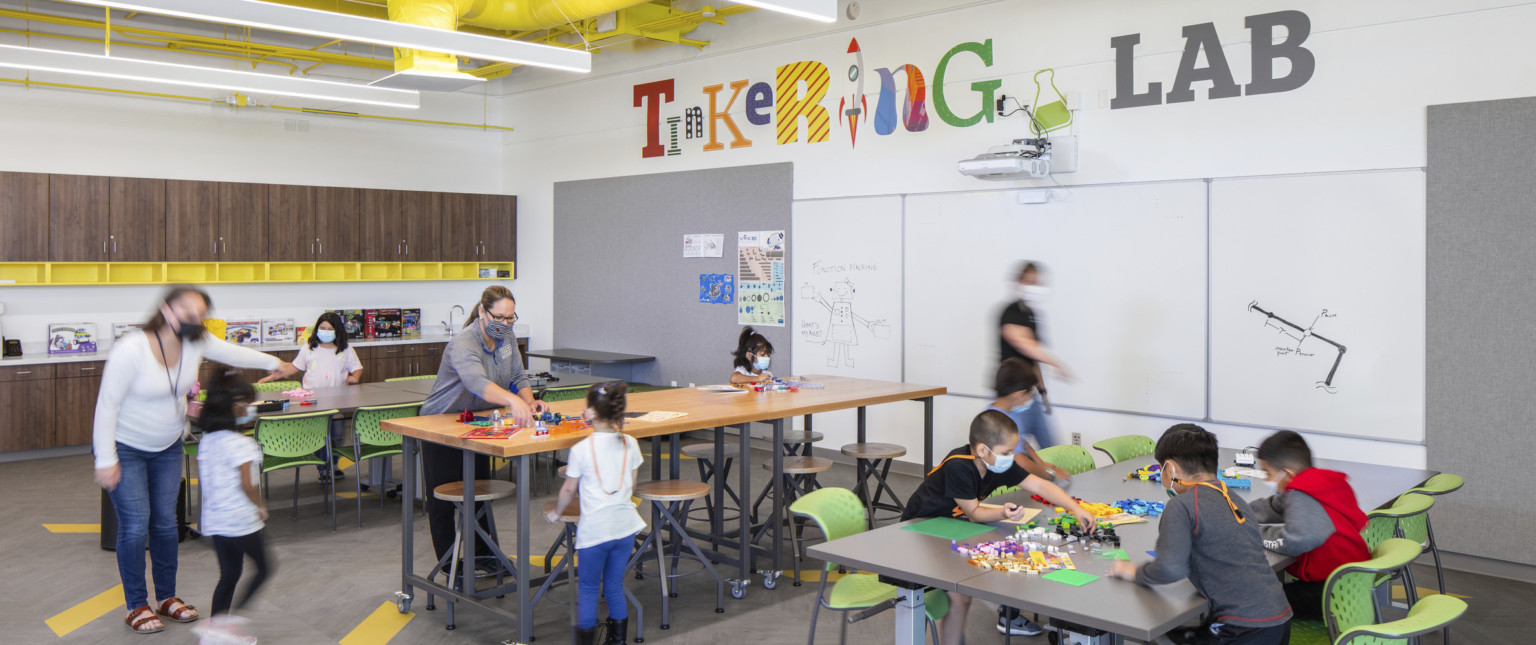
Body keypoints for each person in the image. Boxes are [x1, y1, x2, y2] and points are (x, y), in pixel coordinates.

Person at [93, 286, 293, 634]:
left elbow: (235, 353)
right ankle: (137, 605)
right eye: (188, 312)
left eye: (200, 313)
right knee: (136, 525)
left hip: (168, 444)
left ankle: (167, 597)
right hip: (126, 445)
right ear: (167, 310)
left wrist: (277, 364)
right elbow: (106, 405)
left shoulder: (195, 341)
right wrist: (106, 459)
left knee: (166, 525)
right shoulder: (133, 348)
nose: (194, 319)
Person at [902, 410, 1098, 643]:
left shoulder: (998, 465)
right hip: (920, 530)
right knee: (957, 596)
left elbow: (1039, 485)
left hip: (950, 527)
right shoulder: (959, 466)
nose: (1011, 457)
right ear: (984, 450)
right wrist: (1003, 512)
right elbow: (974, 513)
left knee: (961, 596)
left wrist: (1074, 508)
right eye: (1006, 452)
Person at [1106, 424, 1292, 645]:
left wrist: (1135, 572)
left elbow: (1170, 568)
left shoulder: (1182, 505)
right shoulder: (1232, 497)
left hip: (1242, 628)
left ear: (1171, 468)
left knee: (1160, 639)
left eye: (1161, 468)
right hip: (1278, 619)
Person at [418, 286, 545, 566]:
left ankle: (485, 556)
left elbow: (517, 375)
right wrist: (513, 402)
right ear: (482, 312)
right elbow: (476, 383)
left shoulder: (507, 338)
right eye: (499, 318)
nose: (505, 324)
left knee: (478, 494)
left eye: (510, 318)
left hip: (477, 423)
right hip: (441, 423)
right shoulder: (464, 343)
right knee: (443, 500)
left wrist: (529, 400)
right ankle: (450, 567)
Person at [546, 382, 644, 645]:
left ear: (589, 412)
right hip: (625, 529)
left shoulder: (580, 450)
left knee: (588, 589)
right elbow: (632, 485)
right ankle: (617, 641)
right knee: (613, 586)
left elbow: (568, 490)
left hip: (595, 533)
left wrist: (557, 512)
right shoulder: (631, 444)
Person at [189, 368, 272, 645]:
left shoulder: (208, 441)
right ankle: (226, 625)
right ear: (234, 406)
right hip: (241, 521)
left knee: (229, 574)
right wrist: (260, 506)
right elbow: (248, 485)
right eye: (247, 404)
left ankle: (214, 634)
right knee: (263, 569)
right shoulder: (242, 444)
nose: (250, 410)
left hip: (216, 522)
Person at [1249, 430, 1369, 620]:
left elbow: (1298, 539)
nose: (1266, 480)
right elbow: (1276, 506)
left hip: (1332, 591)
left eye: (1268, 473)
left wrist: (1257, 533)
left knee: (1252, 600)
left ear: (1286, 474)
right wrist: (1241, 512)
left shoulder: (1302, 495)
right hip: (1353, 582)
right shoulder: (1319, 483)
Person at [260, 312, 365, 483]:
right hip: (313, 401)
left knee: (337, 435)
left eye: (329, 329)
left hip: (338, 401)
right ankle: (324, 468)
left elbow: (357, 368)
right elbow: (292, 368)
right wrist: (273, 376)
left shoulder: (346, 349)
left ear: (337, 331)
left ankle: (333, 465)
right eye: (322, 328)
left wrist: (355, 377)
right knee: (320, 437)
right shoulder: (309, 348)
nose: (325, 331)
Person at [998, 261, 1073, 449]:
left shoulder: (1032, 314)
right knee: (1013, 451)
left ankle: (1050, 477)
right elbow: (1025, 344)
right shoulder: (1009, 312)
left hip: (1031, 396)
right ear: (1019, 283)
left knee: (1051, 448)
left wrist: (1043, 391)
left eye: (1037, 283)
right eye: (1030, 282)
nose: (1035, 288)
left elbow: (1034, 360)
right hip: (1011, 397)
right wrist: (1057, 364)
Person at [988, 358, 1071, 484]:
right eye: (1030, 395)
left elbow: (1022, 443)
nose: (1030, 400)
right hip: (1002, 488)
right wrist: (1051, 475)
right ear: (1018, 395)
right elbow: (1020, 461)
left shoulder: (1011, 413)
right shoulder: (998, 420)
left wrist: (1042, 464)